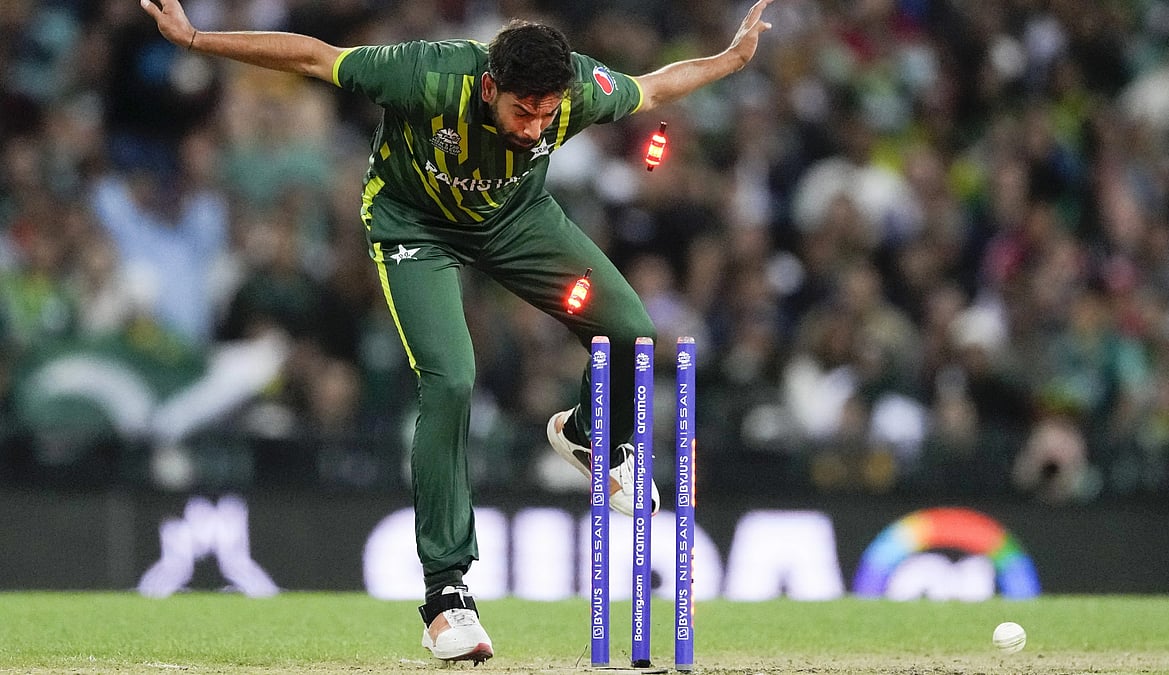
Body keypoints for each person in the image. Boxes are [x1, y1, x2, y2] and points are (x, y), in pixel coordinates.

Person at [139, 0, 775, 664]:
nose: (535, 128)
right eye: (522, 112)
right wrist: (196, 37)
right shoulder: (429, 76)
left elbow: (656, 87)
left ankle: (591, 436)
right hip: (415, 226)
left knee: (633, 333)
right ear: (491, 88)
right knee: (451, 379)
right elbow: (314, 56)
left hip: (514, 218)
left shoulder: (578, 90)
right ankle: (446, 600)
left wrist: (728, 60)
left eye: (547, 114)